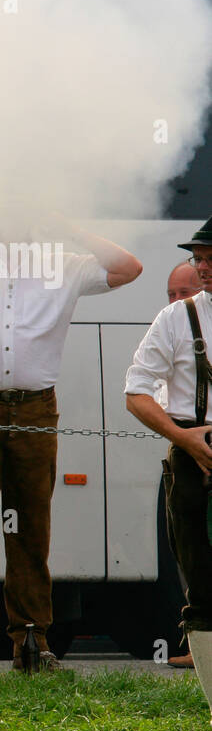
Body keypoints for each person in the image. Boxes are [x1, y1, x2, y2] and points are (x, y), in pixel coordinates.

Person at [0, 215, 142, 670]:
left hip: (33, 407)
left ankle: (31, 640)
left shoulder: (65, 264)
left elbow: (130, 267)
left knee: (31, 529)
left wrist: (70, 228)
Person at [124, 217, 212, 722]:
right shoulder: (177, 320)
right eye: (199, 257)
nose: (203, 267)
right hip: (193, 459)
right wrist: (185, 439)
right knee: (201, 589)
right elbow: (136, 392)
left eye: (209, 257)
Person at [158, 262, 204, 669]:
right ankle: (200, 647)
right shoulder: (171, 326)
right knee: (189, 553)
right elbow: (150, 392)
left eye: (183, 292)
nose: (177, 301)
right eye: (170, 294)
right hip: (185, 450)